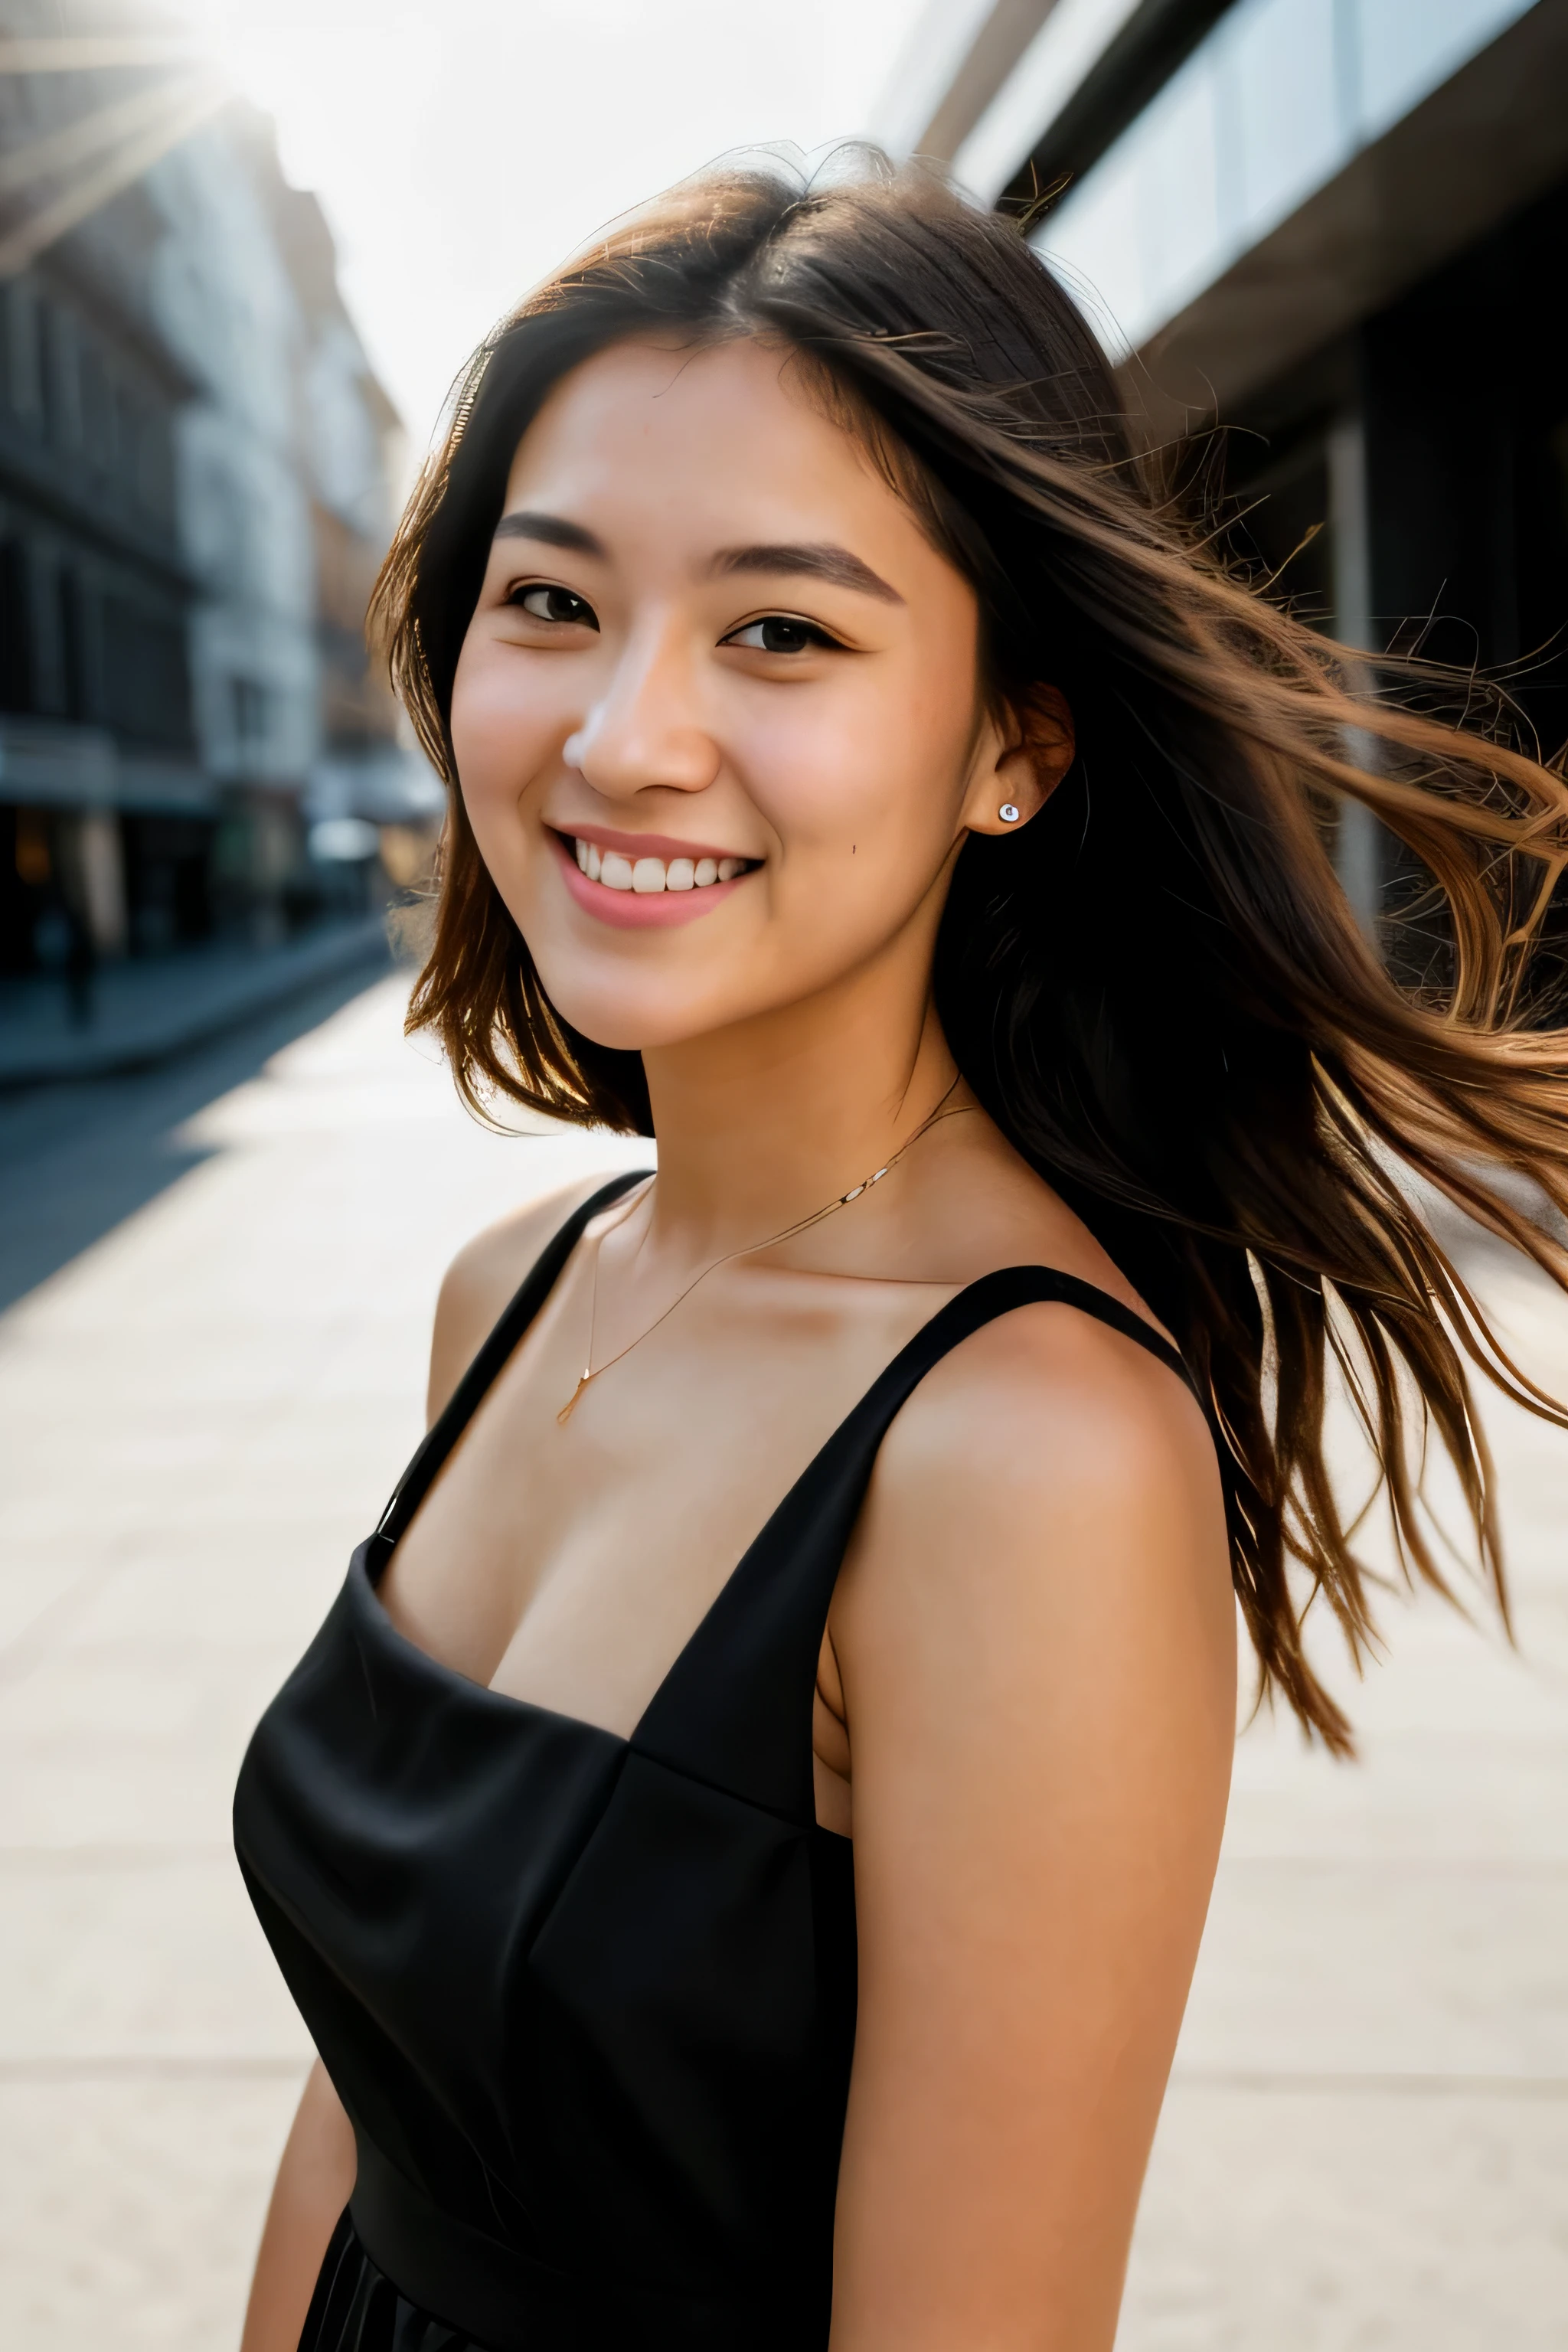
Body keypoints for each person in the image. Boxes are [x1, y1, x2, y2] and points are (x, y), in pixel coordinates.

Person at [234, 158, 1568, 2352]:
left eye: (782, 630)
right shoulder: (516, 1289)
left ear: (1017, 740)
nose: (621, 733)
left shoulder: (1026, 1453)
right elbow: (370, 2104)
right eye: (550, 601)